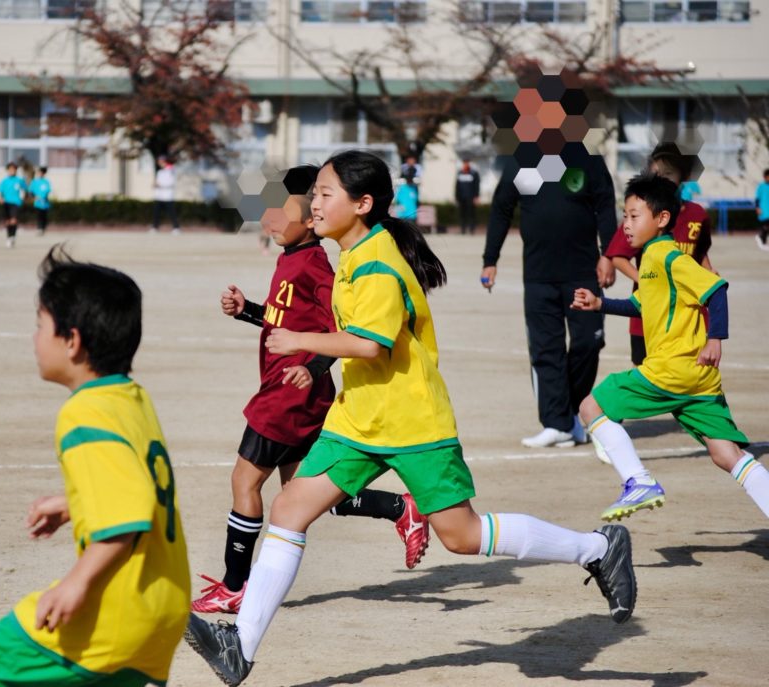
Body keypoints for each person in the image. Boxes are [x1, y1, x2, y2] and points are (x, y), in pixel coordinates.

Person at [185, 151, 637, 686]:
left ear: (362, 204)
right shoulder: (353, 253)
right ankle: (240, 646)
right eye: (314, 195)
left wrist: (299, 342)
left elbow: (370, 345)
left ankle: (597, 548)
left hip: (411, 419)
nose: (314, 205)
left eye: (325, 194)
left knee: (462, 536)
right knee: (288, 509)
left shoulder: (377, 263)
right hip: (358, 418)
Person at [191, 166, 431, 616]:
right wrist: (248, 311)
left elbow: (345, 329)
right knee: (303, 492)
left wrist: (314, 366)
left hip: (289, 395)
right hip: (292, 392)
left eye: (281, 210)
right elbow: (286, 318)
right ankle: (399, 507)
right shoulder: (291, 257)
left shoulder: (316, 265)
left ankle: (235, 585)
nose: (270, 219)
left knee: (245, 480)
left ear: (310, 219)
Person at [0, 246, 190, 687]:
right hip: (164, 605)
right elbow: (136, 481)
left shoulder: (83, 414)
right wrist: (74, 503)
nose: (34, 338)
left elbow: (130, 511)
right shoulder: (131, 398)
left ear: (72, 342)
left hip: (116, 606)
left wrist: (75, 583)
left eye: (40, 325)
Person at [571, 172, 767, 524]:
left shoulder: (668, 256)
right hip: (699, 380)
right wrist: (601, 304)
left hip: (672, 369)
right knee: (726, 454)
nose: (626, 224)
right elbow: (642, 305)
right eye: (624, 216)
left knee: (590, 406)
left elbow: (716, 289)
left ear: (662, 218)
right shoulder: (650, 257)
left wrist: (715, 338)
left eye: (634, 216)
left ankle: (639, 481)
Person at [481, 148, 617, 449]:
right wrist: (490, 259)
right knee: (546, 350)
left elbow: (606, 207)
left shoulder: (588, 161)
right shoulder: (522, 161)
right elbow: (502, 208)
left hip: (583, 273)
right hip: (538, 276)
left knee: (589, 342)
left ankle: (570, 414)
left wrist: (609, 255)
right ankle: (558, 424)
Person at [605, 144, 714, 368]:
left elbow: (700, 252)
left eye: (668, 173)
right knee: (645, 377)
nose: (662, 178)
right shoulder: (643, 217)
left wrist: (709, 272)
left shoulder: (697, 214)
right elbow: (617, 255)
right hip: (648, 317)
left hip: (687, 318)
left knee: (685, 376)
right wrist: (642, 279)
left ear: (683, 176)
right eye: (656, 173)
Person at [0, 162, 28, 248]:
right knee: (7, 221)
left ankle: (12, 237)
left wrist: (24, 198)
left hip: (16, 202)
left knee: (14, 220)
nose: (12, 171)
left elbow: (25, 190)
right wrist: (1, 198)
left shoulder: (19, 180)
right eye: (10, 169)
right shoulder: (4, 181)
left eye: (14, 169)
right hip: (6, 203)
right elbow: (1, 191)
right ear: (8, 170)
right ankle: (9, 237)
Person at [151, 155, 180, 234]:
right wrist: (155, 185)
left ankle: (176, 228)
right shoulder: (160, 172)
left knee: (172, 213)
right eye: (159, 162)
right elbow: (157, 182)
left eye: (161, 161)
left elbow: (171, 182)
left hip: (168, 196)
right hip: (159, 196)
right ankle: (155, 227)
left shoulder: (171, 170)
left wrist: (159, 184)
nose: (159, 163)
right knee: (156, 213)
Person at [454, 158, 480, 235]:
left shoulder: (474, 173)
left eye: (467, 163)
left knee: (471, 214)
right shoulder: (460, 173)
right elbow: (457, 186)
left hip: (471, 197)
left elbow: (476, 186)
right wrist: (456, 196)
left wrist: (476, 196)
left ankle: (472, 229)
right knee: (462, 214)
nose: (465, 164)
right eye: (464, 163)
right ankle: (463, 229)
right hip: (461, 197)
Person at [29, 166, 52, 236]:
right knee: (39, 215)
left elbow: (48, 191)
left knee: (44, 216)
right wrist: (34, 197)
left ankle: (43, 228)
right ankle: (39, 228)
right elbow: (30, 191)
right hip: (37, 202)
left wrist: (44, 198)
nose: (41, 174)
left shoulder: (46, 182)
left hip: (45, 202)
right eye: (39, 172)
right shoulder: (34, 182)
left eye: (42, 172)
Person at [756, 168, 769, 251]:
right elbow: (757, 198)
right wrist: (757, 208)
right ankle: (760, 237)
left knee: (766, 227)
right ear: (765, 177)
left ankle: (763, 241)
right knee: (766, 225)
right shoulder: (761, 186)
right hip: (764, 210)